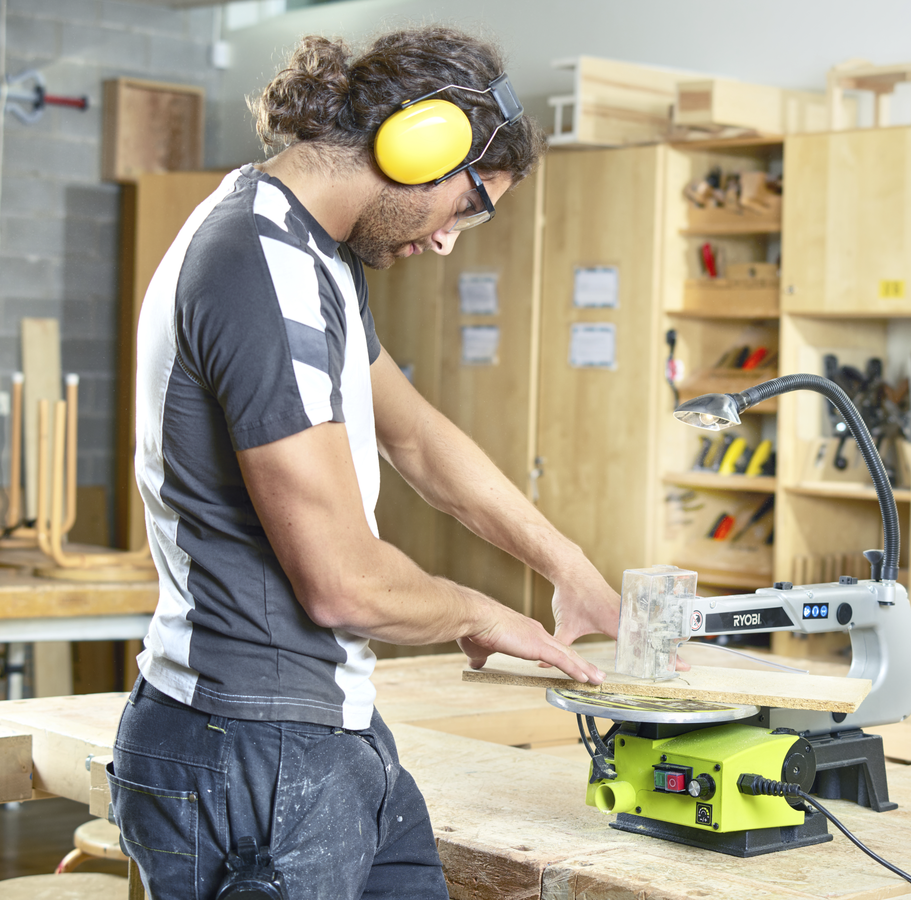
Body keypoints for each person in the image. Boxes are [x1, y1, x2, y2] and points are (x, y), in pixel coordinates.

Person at [109, 26, 619, 900]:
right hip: (250, 746)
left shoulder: (312, 255)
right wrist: (479, 611)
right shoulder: (257, 266)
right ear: (419, 146)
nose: (451, 239)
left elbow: (414, 435)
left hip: (323, 734)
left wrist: (566, 565)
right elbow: (343, 584)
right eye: (468, 204)